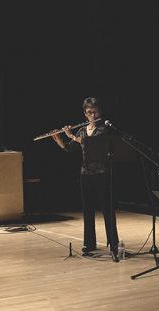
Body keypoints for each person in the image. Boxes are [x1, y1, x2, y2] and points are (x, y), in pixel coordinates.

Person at [52, 97, 120, 262]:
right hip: (85, 175)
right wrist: (60, 139)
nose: (92, 114)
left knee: (107, 209)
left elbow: (90, 144)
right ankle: (89, 243)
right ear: (85, 114)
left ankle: (114, 243)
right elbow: (70, 148)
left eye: (95, 111)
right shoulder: (82, 130)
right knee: (87, 210)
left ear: (100, 111)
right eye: (89, 112)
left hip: (102, 174)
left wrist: (72, 136)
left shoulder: (104, 129)